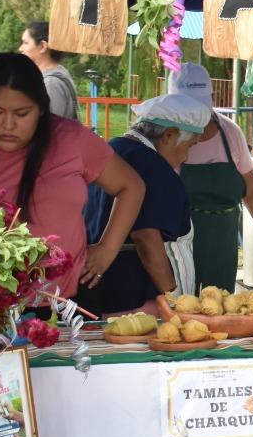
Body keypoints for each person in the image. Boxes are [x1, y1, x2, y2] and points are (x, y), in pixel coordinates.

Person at [0, 52, 144, 299]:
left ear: (41, 108)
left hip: (63, 302)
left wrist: (107, 249)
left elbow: (131, 186)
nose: (8, 124)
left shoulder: (72, 139)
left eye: (22, 114)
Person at [82, 93, 213, 315]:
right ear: (170, 135)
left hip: (98, 291)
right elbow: (146, 237)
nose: (187, 157)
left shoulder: (111, 150)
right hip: (136, 298)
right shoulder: (155, 168)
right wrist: (173, 302)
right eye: (190, 146)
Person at [171, 63, 253, 292]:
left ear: (211, 98)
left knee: (220, 309)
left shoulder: (230, 133)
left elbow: (252, 191)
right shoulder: (164, 137)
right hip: (178, 245)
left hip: (223, 244)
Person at [19, 20, 81, 120]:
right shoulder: (58, 73)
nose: (21, 48)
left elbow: (48, 127)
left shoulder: (50, 83)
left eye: (26, 43)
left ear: (43, 46)